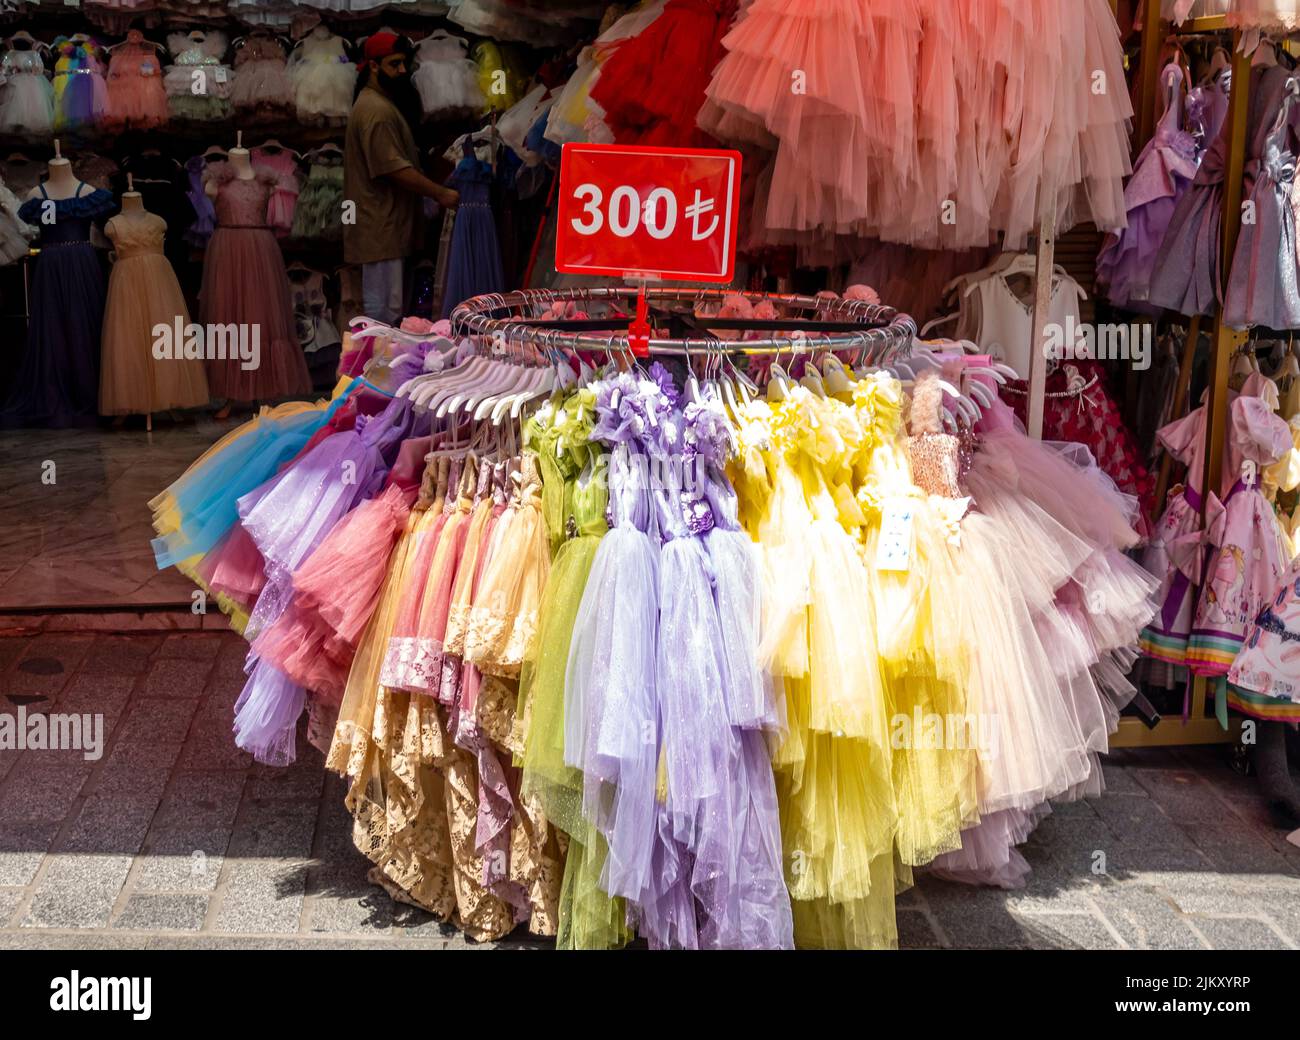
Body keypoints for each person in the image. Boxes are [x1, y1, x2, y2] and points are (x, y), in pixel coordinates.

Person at [344, 32, 458, 324]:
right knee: (384, 316)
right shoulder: (375, 110)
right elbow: (393, 167)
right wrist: (439, 193)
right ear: (373, 66)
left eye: (403, 64)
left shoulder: (378, 103)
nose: (403, 71)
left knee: (388, 313)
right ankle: (375, 370)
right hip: (381, 230)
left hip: (385, 228)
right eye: (394, 64)